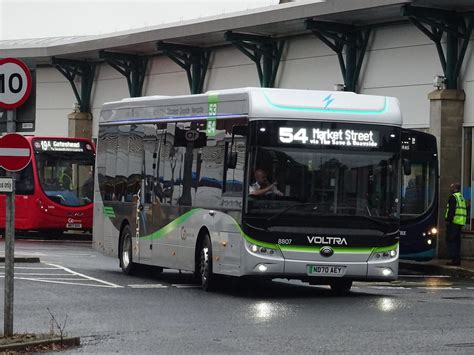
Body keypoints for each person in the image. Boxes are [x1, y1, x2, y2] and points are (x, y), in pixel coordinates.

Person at [444, 182, 467, 266]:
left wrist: (448, 220)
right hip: (460, 223)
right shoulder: (461, 197)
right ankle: (457, 259)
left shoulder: (453, 197)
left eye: (451, 187)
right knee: (457, 242)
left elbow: (451, 211)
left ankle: (454, 259)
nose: (450, 189)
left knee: (452, 241)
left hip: (453, 223)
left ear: (454, 188)